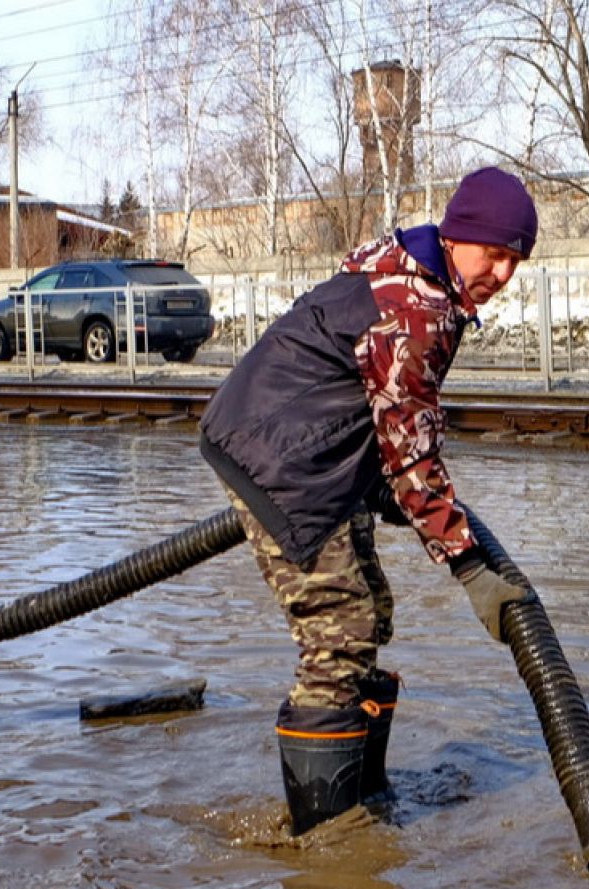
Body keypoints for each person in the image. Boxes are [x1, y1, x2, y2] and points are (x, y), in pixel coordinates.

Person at [199, 167, 541, 835]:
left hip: (312, 448)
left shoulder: (417, 268)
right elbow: (411, 448)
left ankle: (363, 792)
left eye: (515, 260)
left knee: (371, 613)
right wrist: (471, 568)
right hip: (281, 457)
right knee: (341, 628)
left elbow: (384, 416)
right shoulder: (415, 310)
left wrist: (388, 486)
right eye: (494, 252)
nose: (502, 272)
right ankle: (326, 836)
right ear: (459, 234)